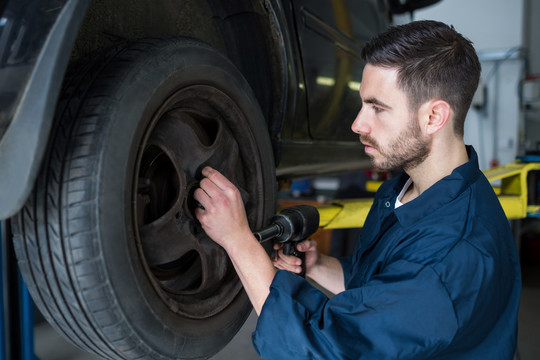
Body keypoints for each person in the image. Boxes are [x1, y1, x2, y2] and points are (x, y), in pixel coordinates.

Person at [194, 20, 521, 359]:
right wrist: (318, 265)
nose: (357, 124)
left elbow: (320, 348)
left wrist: (237, 240)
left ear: (433, 117)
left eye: (378, 108)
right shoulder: (414, 190)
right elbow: (384, 286)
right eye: (363, 103)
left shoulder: (447, 256)